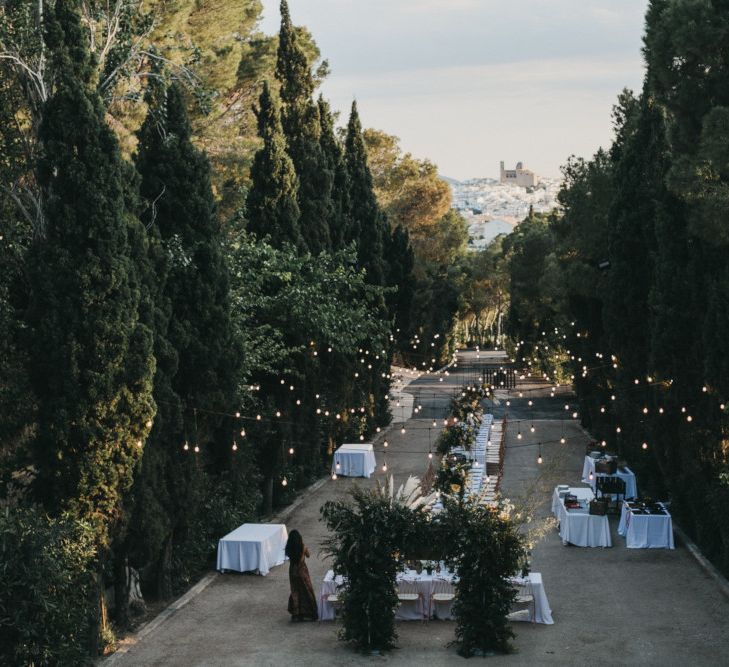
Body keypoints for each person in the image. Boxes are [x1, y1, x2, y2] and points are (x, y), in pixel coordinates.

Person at [284, 529, 318, 621]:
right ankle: (310, 613)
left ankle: (296, 613)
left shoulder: (289, 548)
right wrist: (303, 549)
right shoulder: (302, 547)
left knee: (295, 591)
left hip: (292, 571)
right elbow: (307, 556)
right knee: (307, 590)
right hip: (302, 571)